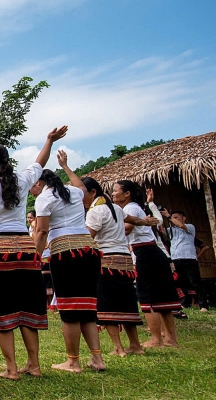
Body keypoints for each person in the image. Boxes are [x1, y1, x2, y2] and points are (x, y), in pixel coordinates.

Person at [0, 126, 68, 380]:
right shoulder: (21, 180)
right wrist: (49, 140)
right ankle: (34, 364)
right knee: (27, 307)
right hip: (26, 248)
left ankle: (12, 368)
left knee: (3, 309)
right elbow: (39, 163)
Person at [58, 168, 152, 357]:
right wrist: (146, 221)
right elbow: (132, 219)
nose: (80, 199)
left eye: (83, 195)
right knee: (127, 301)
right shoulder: (115, 207)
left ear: (93, 193)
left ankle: (118, 347)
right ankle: (135, 345)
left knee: (107, 303)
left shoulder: (96, 211)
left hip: (106, 260)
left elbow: (88, 239)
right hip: (124, 260)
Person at [31, 158, 104, 373]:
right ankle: (97, 359)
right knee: (88, 307)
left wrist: (35, 256)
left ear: (38, 183)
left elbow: (42, 231)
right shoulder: (73, 192)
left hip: (65, 253)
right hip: (89, 251)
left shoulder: (44, 199)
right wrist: (65, 166)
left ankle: (73, 361)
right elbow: (81, 185)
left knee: (69, 308)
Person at [111, 180, 180, 348]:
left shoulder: (129, 209)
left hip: (144, 253)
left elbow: (127, 229)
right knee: (161, 296)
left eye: (115, 190)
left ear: (127, 193)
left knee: (147, 295)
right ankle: (170, 338)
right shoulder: (135, 207)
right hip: (152, 252)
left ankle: (157, 339)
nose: (113, 194)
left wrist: (106, 228)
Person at [168, 209, 209, 312]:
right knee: (182, 283)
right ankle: (185, 303)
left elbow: (182, 226)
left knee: (196, 282)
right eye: (174, 217)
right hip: (176, 258)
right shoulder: (171, 230)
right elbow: (160, 231)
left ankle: (203, 305)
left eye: (177, 217)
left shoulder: (190, 227)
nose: (174, 219)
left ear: (184, 218)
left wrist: (169, 216)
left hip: (189, 258)